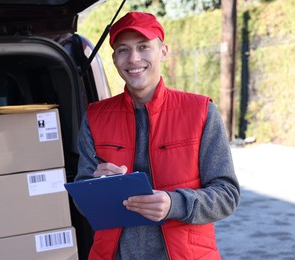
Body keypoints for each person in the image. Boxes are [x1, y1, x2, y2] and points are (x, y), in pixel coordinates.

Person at [75, 11, 240, 260]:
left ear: (163, 51)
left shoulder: (201, 112)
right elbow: (82, 200)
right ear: (114, 58)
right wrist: (96, 186)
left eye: (144, 47)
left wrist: (175, 204)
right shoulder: (94, 117)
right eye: (123, 50)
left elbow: (227, 195)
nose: (133, 58)